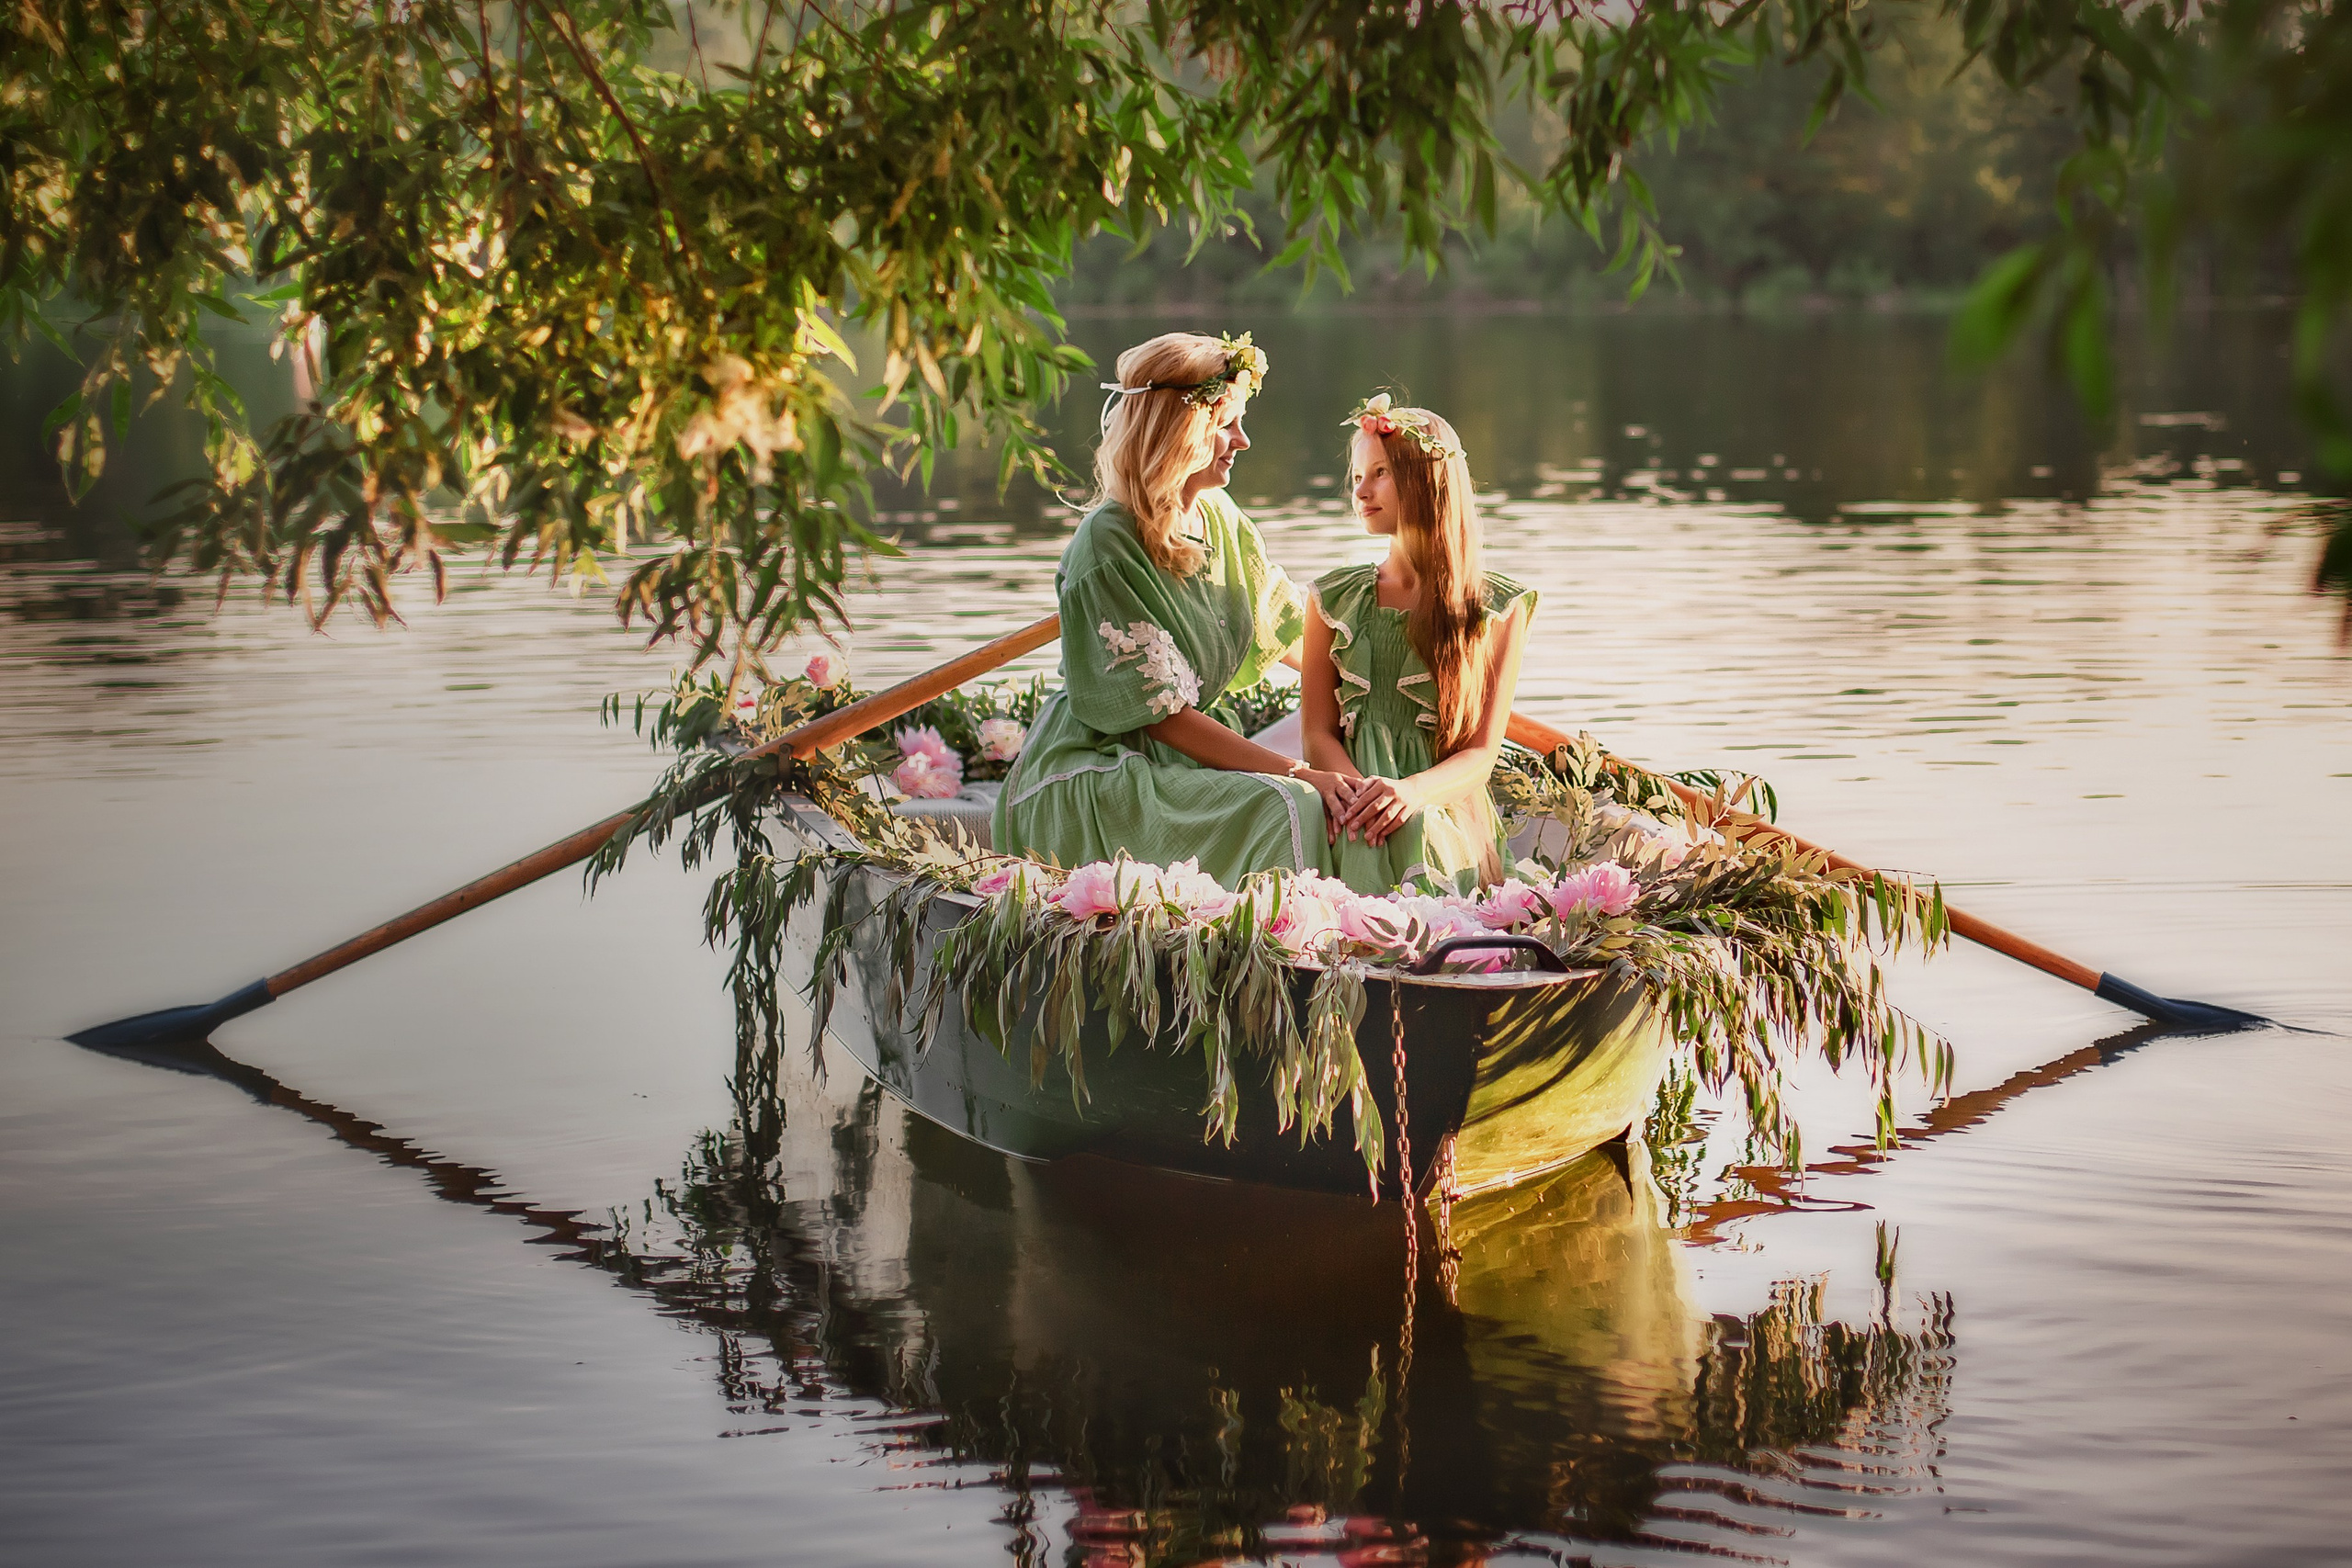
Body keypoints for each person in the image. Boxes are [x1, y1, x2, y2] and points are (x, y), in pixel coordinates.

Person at [993, 333, 1357, 884]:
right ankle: (1286, 951)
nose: (1244, 440)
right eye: (1226, 424)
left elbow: (1291, 637)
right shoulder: (1105, 545)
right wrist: (1301, 773)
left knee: (1356, 773)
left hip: (1180, 762)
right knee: (1292, 800)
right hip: (1100, 772)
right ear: (1180, 431)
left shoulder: (1221, 518)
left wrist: (1373, 693)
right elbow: (1163, 720)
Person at [1300, 396, 1534, 895]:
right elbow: (1317, 734)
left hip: (1438, 800)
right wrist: (1360, 799)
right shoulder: (1333, 600)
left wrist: (1409, 794)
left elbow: (1481, 754)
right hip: (1348, 794)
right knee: (1355, 837)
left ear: (1428, 480)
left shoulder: (1495, 608)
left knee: (1416, 829)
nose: (1360, 490)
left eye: (1380, 473)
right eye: (1357, 475)